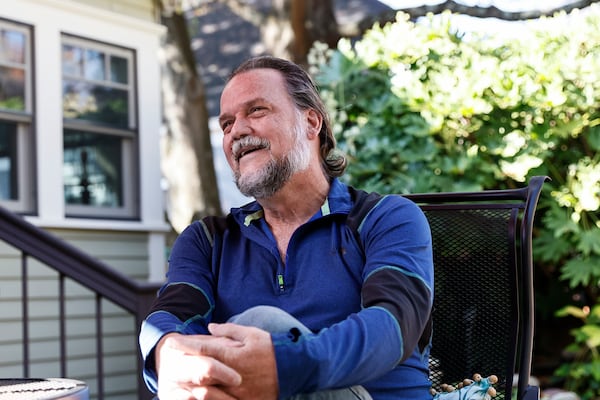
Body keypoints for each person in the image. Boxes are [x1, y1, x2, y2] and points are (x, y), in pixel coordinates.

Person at [139, 55, 434, 400]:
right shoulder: (207, 240)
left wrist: (283, 365)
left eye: (257, 111)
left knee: (262, 323)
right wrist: (166, 352)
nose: (237, 131)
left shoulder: (387, 218)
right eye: (226, 123)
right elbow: (170, 316)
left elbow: (391, 326)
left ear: (311, 123)